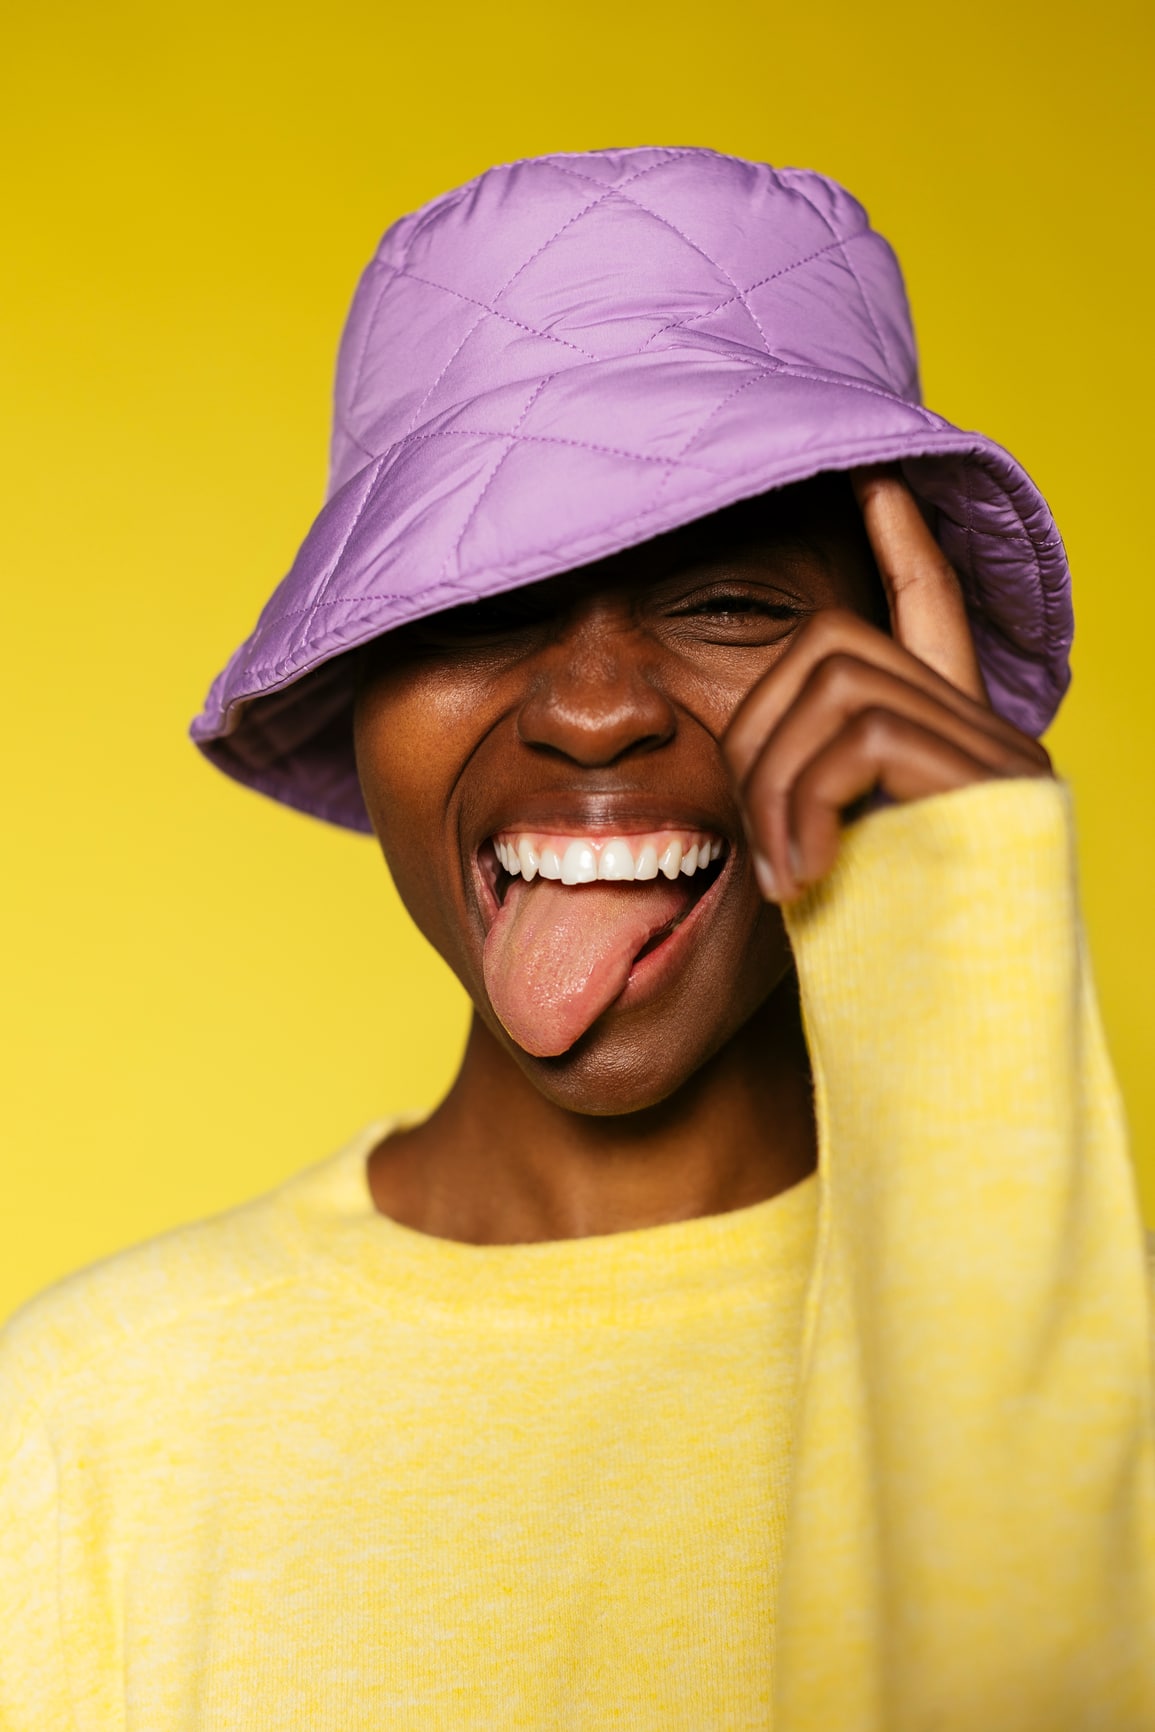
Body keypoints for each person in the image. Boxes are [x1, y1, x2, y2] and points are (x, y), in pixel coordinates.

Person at [2, 147, 1154, 1729]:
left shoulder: (1114, 1370)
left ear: (906, 666)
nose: (596, 708)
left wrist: (970, 946)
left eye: (732, 603)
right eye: (475, 608)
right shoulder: (80, 1430)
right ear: (363, 696)